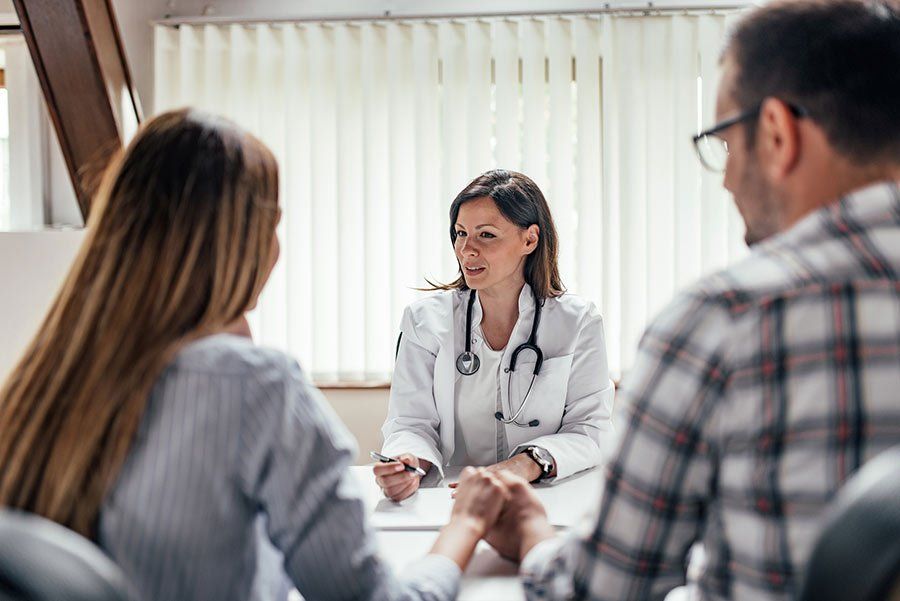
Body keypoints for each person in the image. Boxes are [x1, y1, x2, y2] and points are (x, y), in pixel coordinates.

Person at [462, 1, 900, 599]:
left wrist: (534, 531)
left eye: (723, 143)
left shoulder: (726, 321)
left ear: (776, 132)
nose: (724, 179)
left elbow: (603, 589)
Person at [0, 109, 512, 601]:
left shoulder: (44, 379)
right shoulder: (255, 387)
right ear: (240, 241)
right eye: (274, 225)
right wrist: (466, 524)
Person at [376, 170, 615, 501]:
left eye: (486, 235)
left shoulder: (578, 322)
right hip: (455, 498)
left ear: (529, 240)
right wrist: (408, 463)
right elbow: (409, 423)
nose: (466, 249)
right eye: (460, 233)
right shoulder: (425, 321)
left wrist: (526, 464)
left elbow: (590, 431)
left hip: (546, 497)